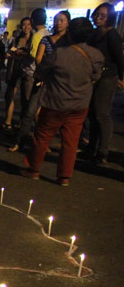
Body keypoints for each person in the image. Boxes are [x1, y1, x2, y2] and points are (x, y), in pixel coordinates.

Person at [23, 17, 103, 186]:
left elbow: (41, 72)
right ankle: (64, 176)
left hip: (55, 102)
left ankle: (34, 169)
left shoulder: (59, 53)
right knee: (71, 142)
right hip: (79, 104)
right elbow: (96, 76)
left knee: (43, 137)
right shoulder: (96, 55)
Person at [85, 3, 124, 165]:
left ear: (110, 18)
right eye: (96, 14)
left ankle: (103, 150)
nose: (98, 18)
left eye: (103, 15)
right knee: (92, 113)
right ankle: (91, 148)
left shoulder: (112, 34)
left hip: (108, 77)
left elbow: (119, 59)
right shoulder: (94, 33)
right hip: (95, 76)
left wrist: (121, 78)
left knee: (102, 113)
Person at [10, 8, 47, 154]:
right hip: (42, 76)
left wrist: (20, 52)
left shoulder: (38, 35)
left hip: (32, 74)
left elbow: (33, 55)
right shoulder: (48, 34)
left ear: (32, 21)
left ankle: (23, 140)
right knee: (35, 109)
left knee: (28, 110)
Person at [2, 17, 33, 132]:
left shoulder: (34, 39)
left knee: (26, 99)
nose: (26, 27)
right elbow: (10, 53)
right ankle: (8, 121)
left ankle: (22, 122)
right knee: (9, 96)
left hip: (28, 71)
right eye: (24, 24)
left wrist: (21, 53)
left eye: (28, 24)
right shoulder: (16, 40)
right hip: (15, 70)